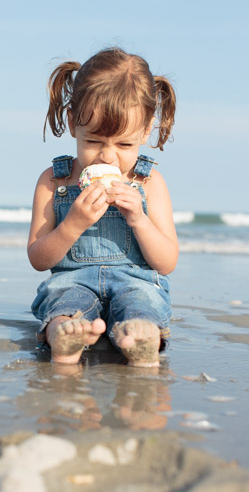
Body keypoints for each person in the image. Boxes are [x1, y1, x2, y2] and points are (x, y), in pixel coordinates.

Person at [28, 47, 178, 367]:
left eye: (124, 144)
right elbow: (39, 259)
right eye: (94, 142)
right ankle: (64, 336)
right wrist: (72, 224)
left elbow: (166, 263)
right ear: (72, 123)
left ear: (146, 130)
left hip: (135, 281)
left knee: (142, 302)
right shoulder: (55, 182)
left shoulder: (149, 182)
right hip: (74, 280)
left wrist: (139, 219)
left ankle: (140, 336)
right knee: (63, 302)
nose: (108, 157)